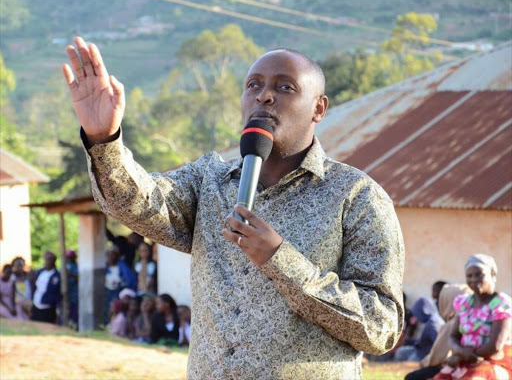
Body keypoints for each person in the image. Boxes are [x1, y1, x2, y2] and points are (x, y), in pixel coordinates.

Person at [63, 36, 404, 379]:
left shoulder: (357, 196)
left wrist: (281, 260)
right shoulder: (209, 179)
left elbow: (381, 327)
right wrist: (104, 140)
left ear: (319, 108)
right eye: (253, 85)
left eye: (285, 87)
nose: (264, 95)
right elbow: (136, 204)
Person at [434, 254, 511, 380]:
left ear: (493, 275)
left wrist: (460, 355)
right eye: (469, 276)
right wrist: (461, 353)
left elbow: (494, 346)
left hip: (492, 361)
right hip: (464, 360)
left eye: (479, 274)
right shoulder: (464, 303)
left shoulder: (502, 304)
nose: (474, 279)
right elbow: (453, 336)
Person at [404, 284, 472, 380]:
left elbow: (437, 358)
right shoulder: (474, 320)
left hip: (454, 367)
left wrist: (423, 363)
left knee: (411, 377)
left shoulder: (450, 325)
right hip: (469, 365)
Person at [395, 297, 444, 362]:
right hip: (420, 350)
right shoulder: (430, 321)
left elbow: (438, 346)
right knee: (400, 353)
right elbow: (423, 342)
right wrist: (407, 341)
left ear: (423, 311)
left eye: (417, 314)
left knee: (410, 361)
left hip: (424, 354)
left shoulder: (433, 324)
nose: (417, 317)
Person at [104, 245, 136, 324]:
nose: (111, 256)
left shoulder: (122, 266)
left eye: (113, 254)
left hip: (119, 291)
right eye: (109, 254)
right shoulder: (106, 267)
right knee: (109, 309)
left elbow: (129, 279)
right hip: (109, 292)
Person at [31, 251, 62, 324]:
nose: (47, 262)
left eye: (49, 260)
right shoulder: (40, 272)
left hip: (48, 306)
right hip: (36, 304)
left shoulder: (56, 275)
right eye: (46, 260)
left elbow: (57, 291)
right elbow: (35, 286)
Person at [65, 250, 79, 327]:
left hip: (75, 295)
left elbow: (79, 279)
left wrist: (71, 275)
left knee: (74, 314)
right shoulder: (64, 266)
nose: (69, 259)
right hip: (67, 294)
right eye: (67, 258)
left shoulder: (77, 267)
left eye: (70, 257)